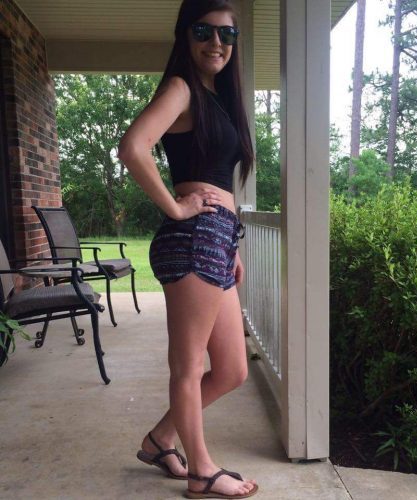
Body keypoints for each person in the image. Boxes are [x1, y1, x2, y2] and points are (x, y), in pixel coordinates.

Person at [117, 0, 258, 498]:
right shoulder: (181, 88)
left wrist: (232, 244)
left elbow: (218, 177)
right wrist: (177, 208)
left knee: (233, 370)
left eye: (226, 34)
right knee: (189, 366)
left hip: (217, 241)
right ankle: (201, 470)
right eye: (204, 31)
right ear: (186, 35)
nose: (216, 42)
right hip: (193, 239)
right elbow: (133, 147)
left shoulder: (219, 98)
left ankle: (161, 439)